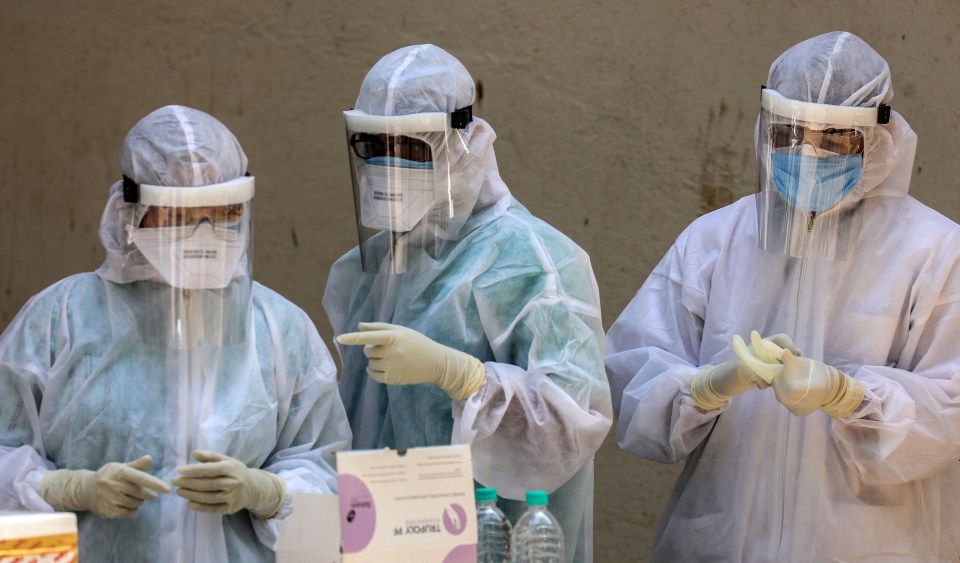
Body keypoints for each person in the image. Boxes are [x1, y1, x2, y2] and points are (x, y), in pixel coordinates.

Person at [605, 31, 960, 561]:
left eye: (835, 138)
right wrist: (706, 387)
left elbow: (950, 409)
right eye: (790, 134)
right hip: (721, 544)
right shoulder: (717, 240)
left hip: (868, 547)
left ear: (878, 137)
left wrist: (848, 396)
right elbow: (633, 384)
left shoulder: (934, 252)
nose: (808, 154)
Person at [0, 105, 352, 562]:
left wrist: (270, 494)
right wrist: (66, 489)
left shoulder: (278, 328)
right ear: (132, 213)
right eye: (179, 214)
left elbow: (329, 481)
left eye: (223, 211)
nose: (203, 231)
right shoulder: (59, 320)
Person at [324, 44, 612, 563]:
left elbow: (573, 427)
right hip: (383, 539)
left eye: (412, 148)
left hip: (499, 543)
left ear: (465, 142)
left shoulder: (537, 261)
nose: (389, 166)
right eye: (373, 145)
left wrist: (462, 377)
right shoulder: (371, 268)